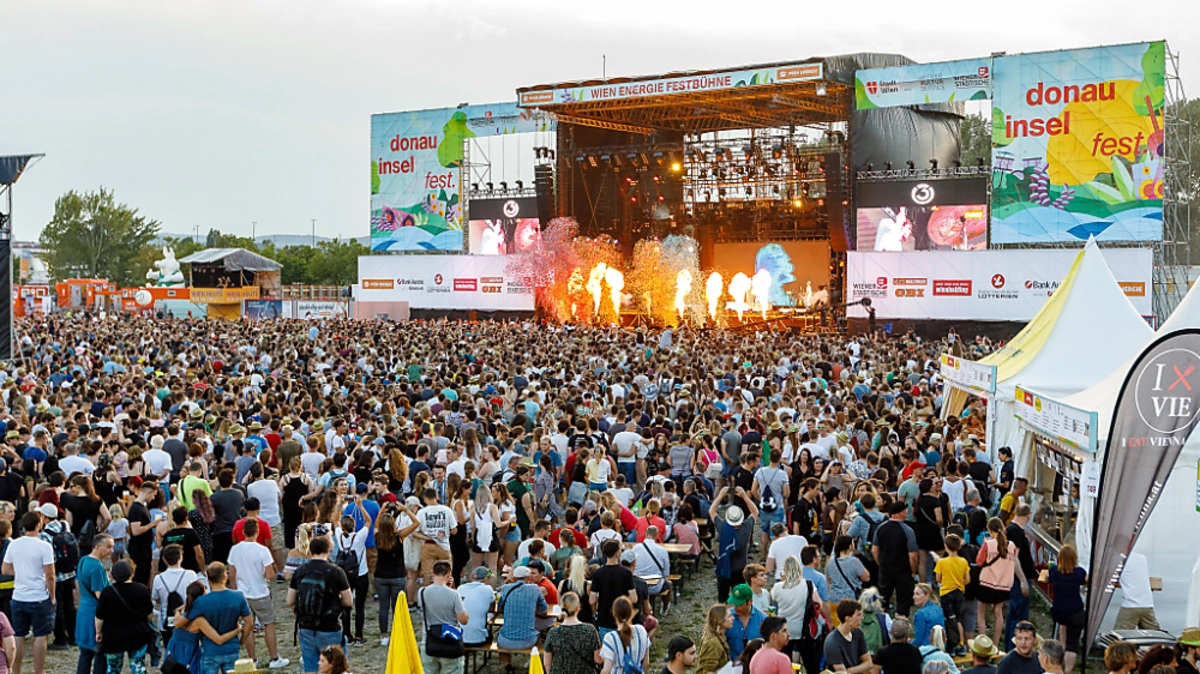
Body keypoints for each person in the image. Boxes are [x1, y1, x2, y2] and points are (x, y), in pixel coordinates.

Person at [228, 518, 289, 669]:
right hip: (260, 592)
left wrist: (234, 591)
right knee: (268, 624)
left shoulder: (235, 550)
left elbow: (232, 575)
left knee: (248, 626)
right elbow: (270, 575)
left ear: (243, 532)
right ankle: (273, 657)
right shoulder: (262, 550)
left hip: (242, 593)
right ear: (257, 532)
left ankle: (252, 659)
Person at [288, 537, 353, 674]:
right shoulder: (336, 571)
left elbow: (289, 600)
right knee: (336, 668)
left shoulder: (301, 571)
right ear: (328, 550)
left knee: (311, 668)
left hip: (306, 627)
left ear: (310, 551)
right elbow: (348, 601)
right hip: (330, 627)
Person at [3, 511, 54, 674]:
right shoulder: (44, 546)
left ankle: (15, 670)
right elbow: (50, 575)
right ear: (38, 525)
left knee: (18, 635)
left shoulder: (14, 544)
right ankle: (38, 671)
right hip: (39, 596)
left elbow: (5, 569)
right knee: (40, 636)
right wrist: (52, 595)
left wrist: (21, 572)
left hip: (19, 596)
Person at [187, 562, 252, 674]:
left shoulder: (201, 602)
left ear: (208, 579)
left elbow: (189, 623)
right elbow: (249, 623)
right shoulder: (238, 596)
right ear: (224, 576)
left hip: (210, 649)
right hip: (231, 648)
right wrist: (240, 641)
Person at [94, 559, 154, 674]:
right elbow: (149, 614)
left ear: (112, 575)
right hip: (137, 635)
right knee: (138, 667)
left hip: (113, 636)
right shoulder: (142, 589)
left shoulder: (107, 592)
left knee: (113, 668)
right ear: (132, 573)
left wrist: (98, 632)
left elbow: (99, 617)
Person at [976, 518, 1027, 650]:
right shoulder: (1011, 546)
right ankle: (996, 644)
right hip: (1003, 585)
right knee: (998, 613)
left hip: (987, 582)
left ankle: (982, 643)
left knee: (981, 613)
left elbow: (979, 561)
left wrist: (984, 545)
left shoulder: (988, 544)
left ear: (990, 530)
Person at [417, 560, 469, 674]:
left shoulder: (422, 592)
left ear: (432, 574)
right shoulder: (454, 594)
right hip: (450, 643)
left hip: (429, 642)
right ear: (449, 574)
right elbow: (464, 620)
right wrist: (451, 588)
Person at [1041, 544, 1086, 673]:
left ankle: (1061, 651)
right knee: (1073, 643)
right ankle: (1067, 670)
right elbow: (1088, 579)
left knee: (1063, 629)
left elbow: (1047, 577)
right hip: (1075, 611)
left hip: (1059, 611)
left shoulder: (1054, 571)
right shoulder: (1079, 572)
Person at [497, 566, 549, 673]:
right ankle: (536, 662)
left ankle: (508, 667)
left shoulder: (506, 588)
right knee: (538, 635)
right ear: (528, 577)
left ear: (513, 578)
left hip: (506, 641)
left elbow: (500, 608)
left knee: (500, 640)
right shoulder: (534, 589)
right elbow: (544, 609)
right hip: (528, 641)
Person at [75, 533, 113, 674]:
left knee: (85, 654)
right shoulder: (97, 567)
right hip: (95, 613)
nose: (111, 551)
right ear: (97, 547)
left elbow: (78, 584)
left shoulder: (83, 560)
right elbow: (100, 596)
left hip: (83, 610)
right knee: (100, 654)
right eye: (108, 547)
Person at [874, 501, 918, 616]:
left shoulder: (880, 528)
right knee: (903, 601)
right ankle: (901, 623)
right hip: (903, 571)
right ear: (900, 513)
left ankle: (881, 621)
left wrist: (881, 564)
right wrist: (913, 571)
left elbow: (874, 550)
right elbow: (913, 556)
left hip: (885, 569)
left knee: (882, 599)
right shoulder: (908, 531)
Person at [151, 544, 198, 648]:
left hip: (165, 621)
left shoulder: (158, 579)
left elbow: (156, 599)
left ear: (164, 559)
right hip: (187, 619)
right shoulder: (190, 575)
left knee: (170, 650)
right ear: (180, 557)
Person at [543, 592, 602, 674]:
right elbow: (598, 660)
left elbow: (547, 664)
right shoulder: (590, 630)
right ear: (578, 608)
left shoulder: (553, 633)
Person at [590, 540, 636, 638]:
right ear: (617, 553)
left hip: (603, 618)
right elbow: (634, 598)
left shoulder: (598, 573)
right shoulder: (626, 573)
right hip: (621, 617)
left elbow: (592, 600)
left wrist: (595, 612)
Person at [934, 534, 969, 651]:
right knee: (958, 619)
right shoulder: (963, 561)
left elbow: (938, 578)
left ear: (946, 547)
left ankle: (952, 644)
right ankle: (961, 644)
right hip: (959, 592)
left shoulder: (942, 562)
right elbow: (968, 579)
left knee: (949, 619)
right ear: (959, 547)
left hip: (946, 593)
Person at [600, 597, 650, 674]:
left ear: (614, 614)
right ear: (631, 612)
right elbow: (646, 663)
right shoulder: (641, 630)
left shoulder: (610, 638)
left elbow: (607, 670)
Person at [825, 599, 873, 674]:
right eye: (858, 615)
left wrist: (850, 671)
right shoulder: (832, 642)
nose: (862, 618)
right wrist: (860, 668)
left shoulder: (858, 632)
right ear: (848, 618)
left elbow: (869, 663)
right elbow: (842, 673)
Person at [1115, 552, 1160, 630]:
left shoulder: (1117, 559)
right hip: (1147, 605)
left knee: (1120, 635)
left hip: (1130, 606)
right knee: (1153, 634)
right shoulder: (1142, 557)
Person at [726, 584, 766, 663]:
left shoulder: (763, 619)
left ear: (750, 601)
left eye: (740, 604)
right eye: (734, 603)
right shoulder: (726, 618)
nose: (735, 607)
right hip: (731, 666)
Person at [458, 567, 497, 648]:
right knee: (490, 635)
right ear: (485, 579)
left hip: (459, 638)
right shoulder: (488, 589)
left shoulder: (460, 588)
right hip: (479, 640)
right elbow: (492, 609)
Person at [828, 536, 869, 604]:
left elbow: (828, 579)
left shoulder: (831, 561)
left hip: (834, 598)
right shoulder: (854, 562)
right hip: (850, 600)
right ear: (850, 547)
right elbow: (866, 578)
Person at [697, 604, 733, 674]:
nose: (732, 618)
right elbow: (709, 671)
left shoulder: (720, 636)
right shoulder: (713, 642)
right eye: (729, 616)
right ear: (720, 620)